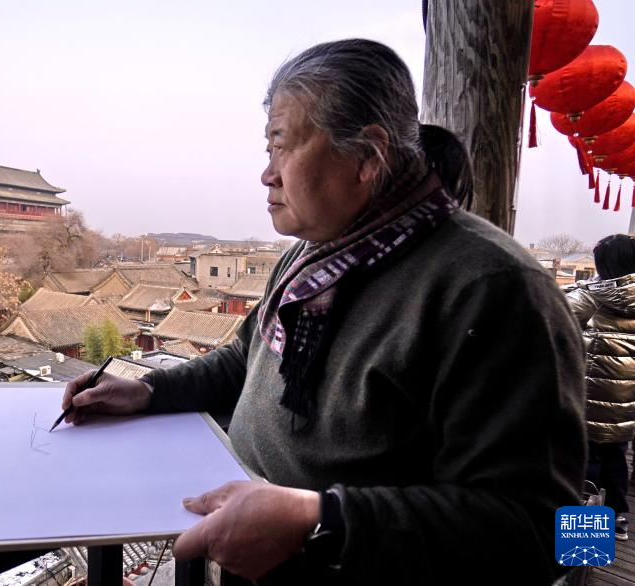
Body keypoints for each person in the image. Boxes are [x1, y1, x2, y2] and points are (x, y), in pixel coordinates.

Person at [62, 39, 587, 584]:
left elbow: (543, 528)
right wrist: (150, 391)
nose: (267, 174)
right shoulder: (310, 258)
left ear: (368, 156)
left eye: (281, 146)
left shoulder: (491, 289)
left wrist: (319, 522)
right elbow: (250, 357)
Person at [567, 234, 635, 541]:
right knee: (616, 460)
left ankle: (585, 540)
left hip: (590, 401)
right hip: (626, 406)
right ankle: (618, 518)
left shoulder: (591, 297)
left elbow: (553, 318)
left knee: (587, 465)